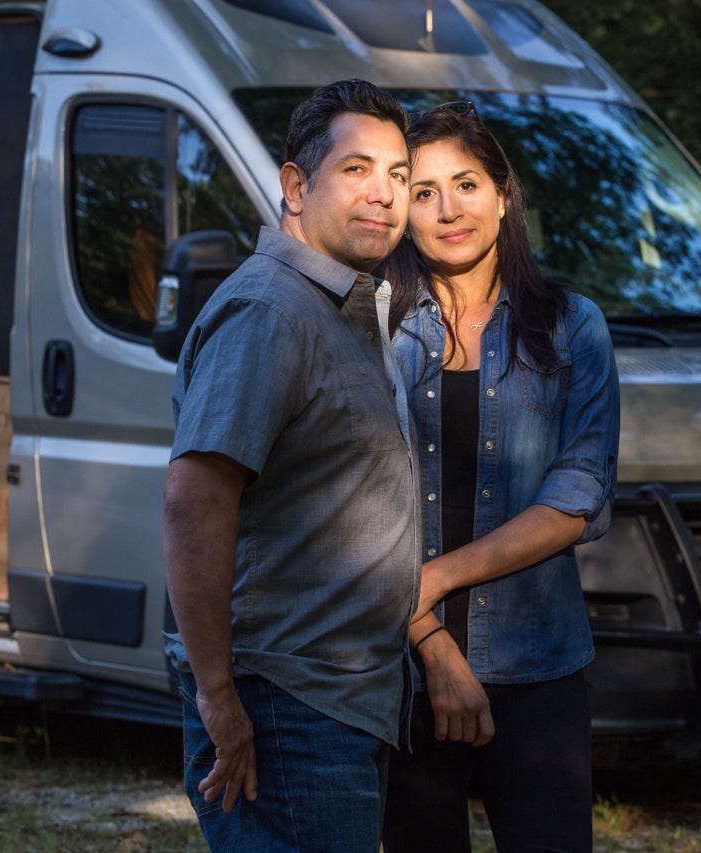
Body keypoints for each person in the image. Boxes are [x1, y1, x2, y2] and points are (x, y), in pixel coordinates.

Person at [162, 79, 419, 852]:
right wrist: (218, 696)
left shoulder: (336, 303)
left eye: (399, 176)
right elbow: (193, 501)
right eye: (357, 170)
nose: (384, 194)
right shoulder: (270, 310)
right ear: (296, 185)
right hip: (284, 703)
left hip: (335, 697)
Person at [378, 101, 620, 852]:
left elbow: (579, 495)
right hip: (403, 675)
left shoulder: (573, 326)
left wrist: (436, 577)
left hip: (538, 669)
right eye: (423, 192)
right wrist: (432, 639)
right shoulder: (374, 328)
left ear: (503, 192)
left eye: (467, 183)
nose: (449, 210)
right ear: (403, 212)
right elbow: (346, 507)